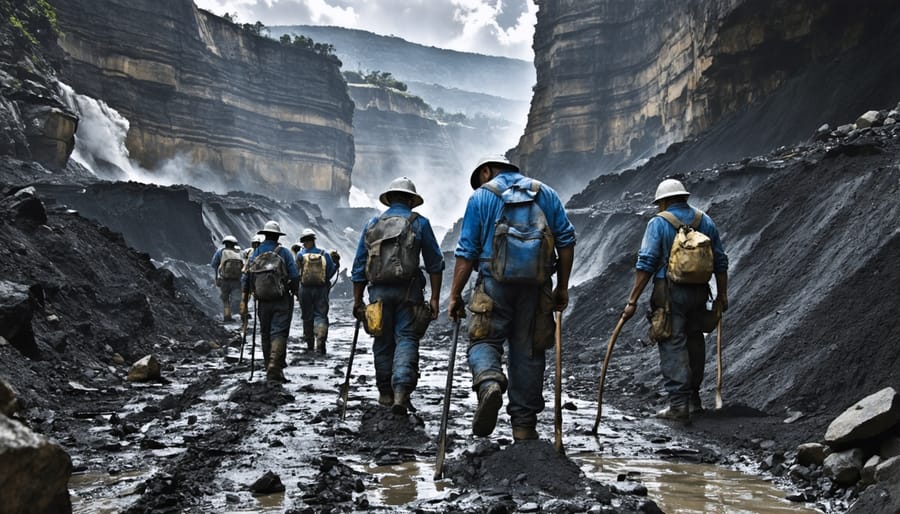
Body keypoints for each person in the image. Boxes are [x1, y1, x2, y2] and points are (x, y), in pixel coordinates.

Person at [448, 156, 576, 442]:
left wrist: (455, 295)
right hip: (537, 287)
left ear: (486, 171)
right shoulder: (546, 193)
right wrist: (563, 287)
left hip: (494, 285)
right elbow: (566, 241)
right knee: (529, 352)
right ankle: (524, 427)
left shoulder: (481, 198)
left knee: (483, 340)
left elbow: (467, 252)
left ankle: (490, 382)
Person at [621, 178, 728, 422]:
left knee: (672, 343)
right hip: (700, 291)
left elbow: (646, 262)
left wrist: (632, 300)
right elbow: (720, 261)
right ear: (684, 197)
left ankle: (679, 405)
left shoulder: (658, 223)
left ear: (664, 201)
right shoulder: (705, 220)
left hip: (669, 293)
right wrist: (722, 294)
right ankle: (694, 400)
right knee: (694, 341)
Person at [351, 177, 444, 415]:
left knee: (382, 341)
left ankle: (384, 393)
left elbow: (360, 266)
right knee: (406, 338)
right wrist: (434, 298)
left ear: (390, 198)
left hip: (378, 295)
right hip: (409, 295)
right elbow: (435, 263)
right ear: (412, 200)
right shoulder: (419, 223)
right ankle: (401, 392)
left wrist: (357, 300)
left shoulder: (372, 224)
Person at [240, 221, 300, 382]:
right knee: (279, 331)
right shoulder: (284, 253)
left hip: (262, 301)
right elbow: (294, 276)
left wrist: (244, 300)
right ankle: (275, 365)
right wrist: (296, 292)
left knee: (265, 333)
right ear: (278, 236)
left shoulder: (256, 252)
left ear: (265, 235)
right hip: (281, 299)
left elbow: (247, 276)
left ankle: (268, 365)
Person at [296, 228, 338, 354]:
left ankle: (309, 345)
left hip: (305, 290)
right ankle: (320, 340)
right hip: (321, 290)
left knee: (307, 316)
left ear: (303, 241)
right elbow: (330, 271)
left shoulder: (300, 255)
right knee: (321, 315)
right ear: (314, 240)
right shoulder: (324, 253)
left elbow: (296, 273)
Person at [210, 235, 243, 322]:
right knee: (236, 298)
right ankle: (236, 314)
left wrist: (216, 278)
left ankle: (227, 316)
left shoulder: (220, 252)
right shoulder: (239, 252)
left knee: (225, 299)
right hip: (236, 280)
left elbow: (214, 265)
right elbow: (244, 266)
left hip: (224, 279)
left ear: (225, 244)